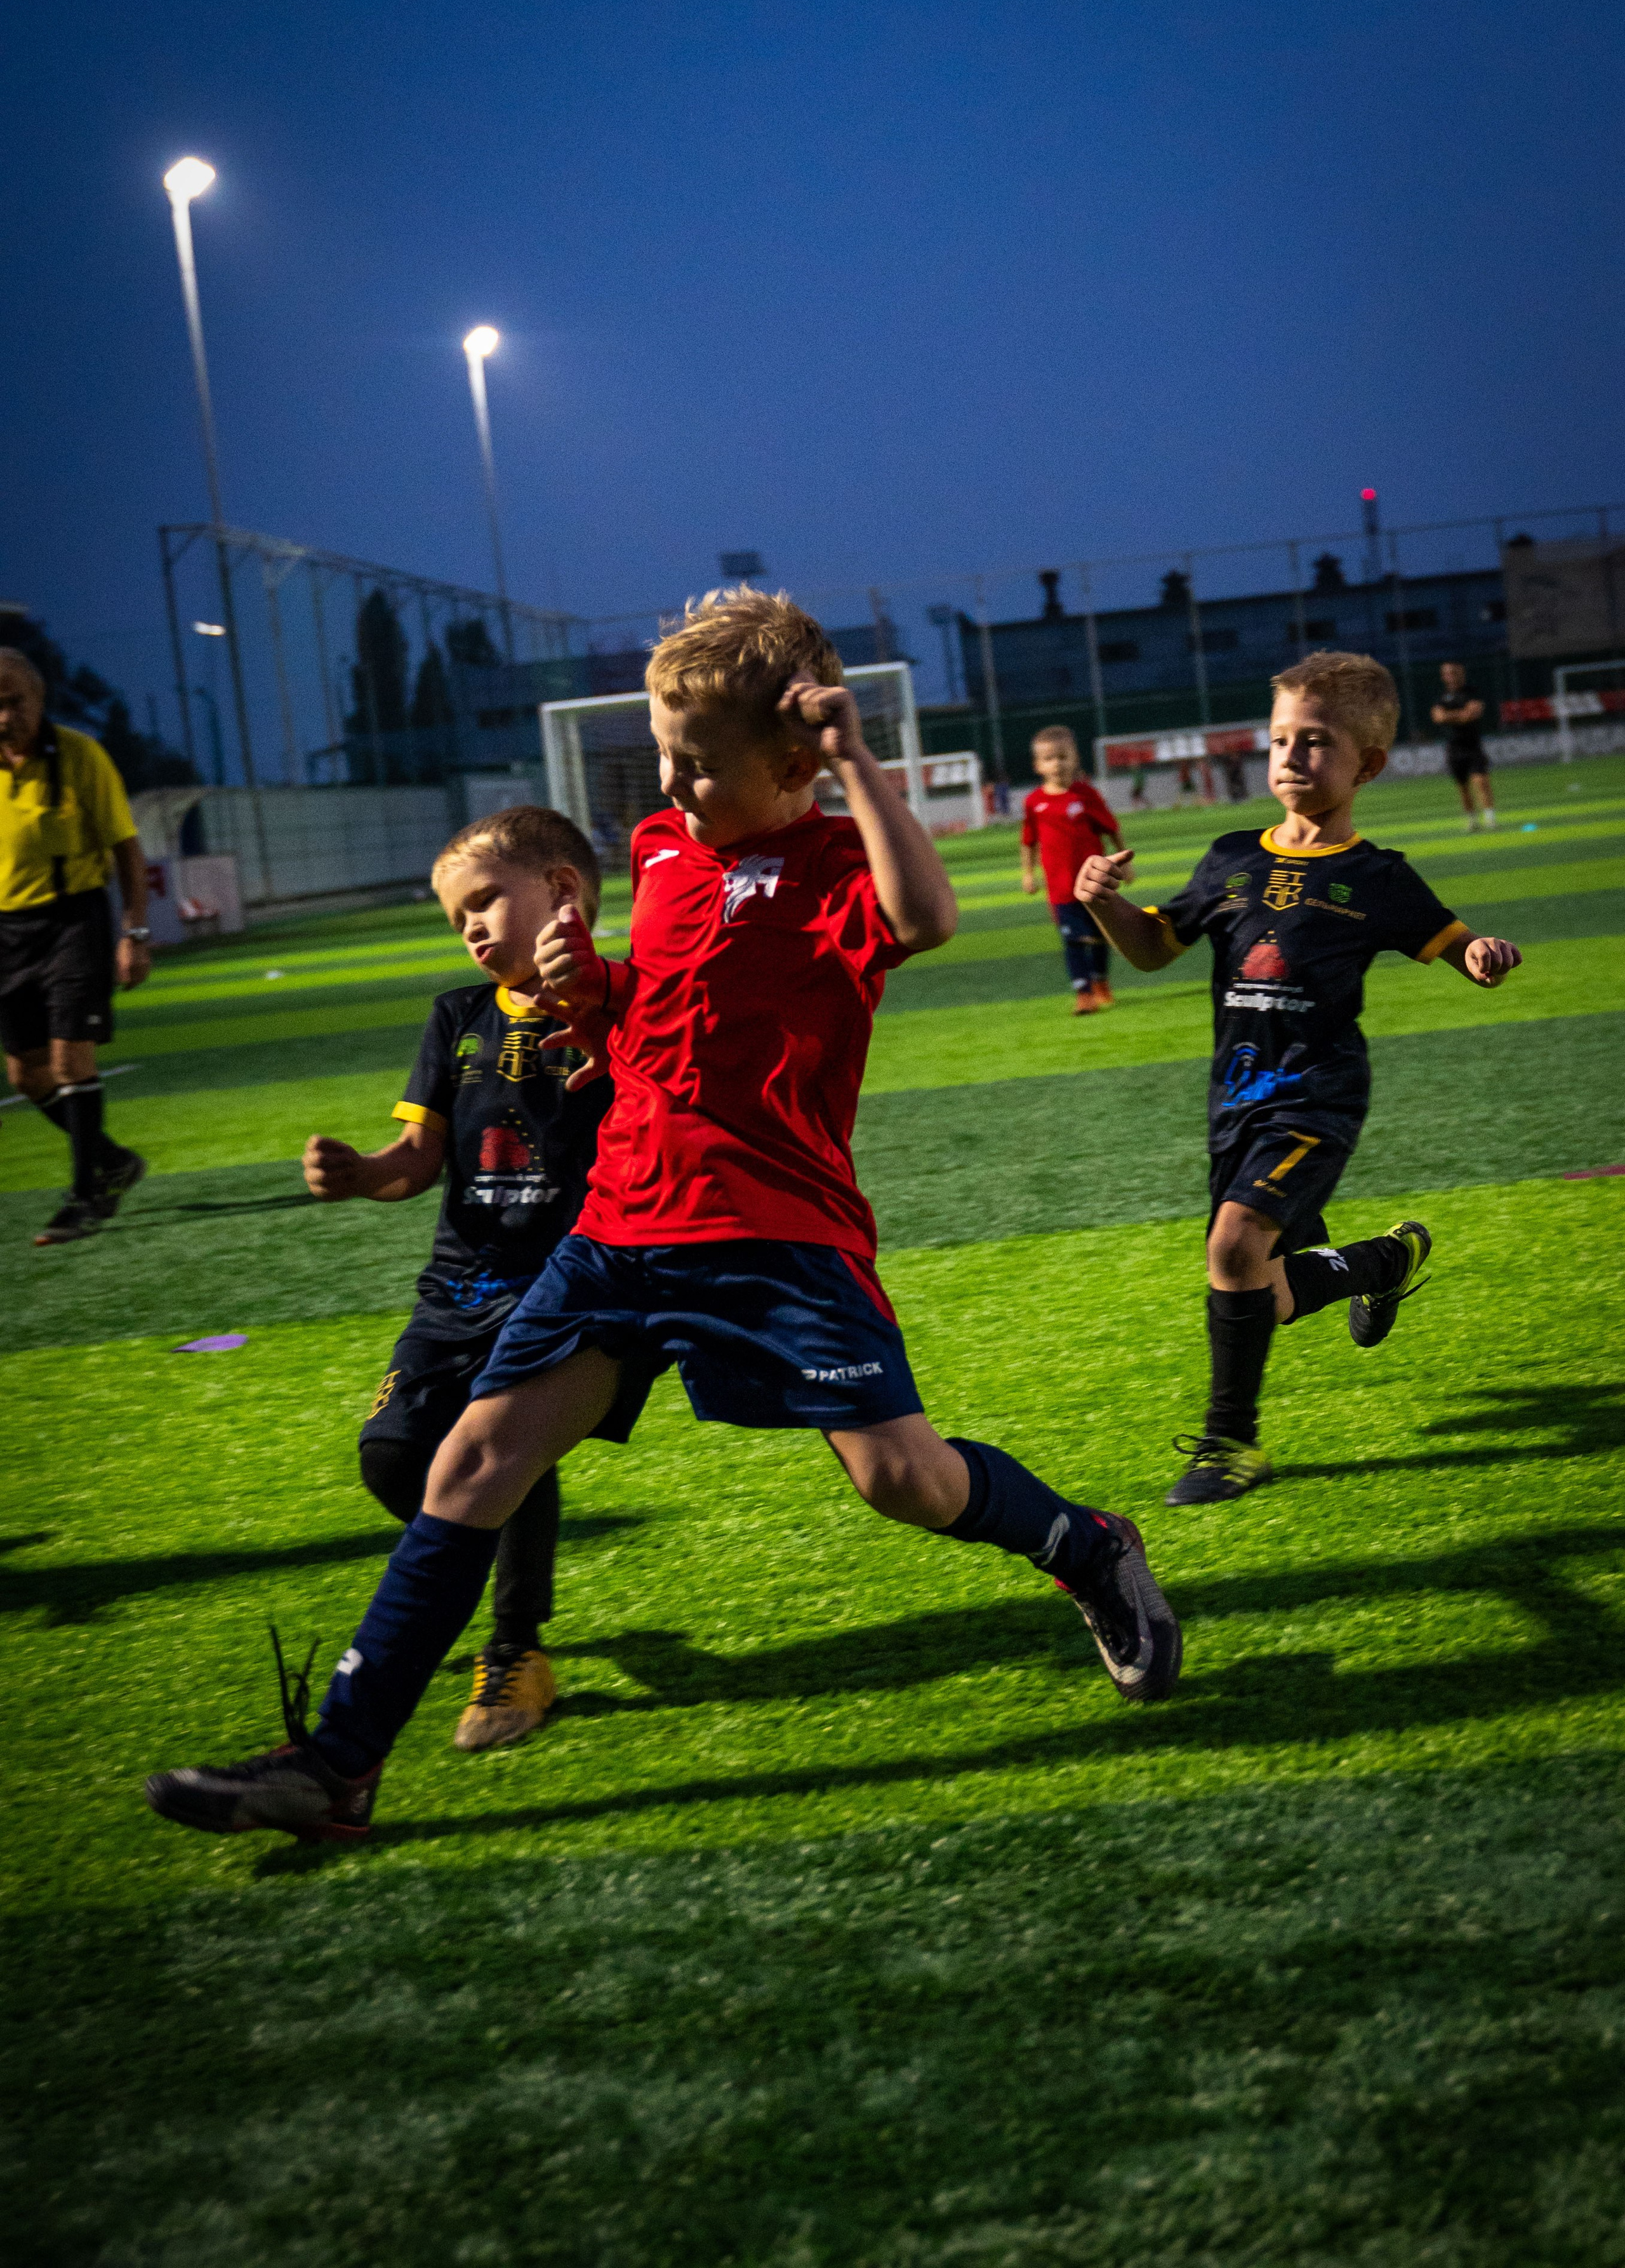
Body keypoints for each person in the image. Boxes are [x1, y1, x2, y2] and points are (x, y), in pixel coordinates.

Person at [147, 589, 1183, 1844]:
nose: (673, 786)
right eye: (662, 760)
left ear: (794, 760)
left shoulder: (843, 854)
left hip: (775, 1232)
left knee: (900, 1479)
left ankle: (1087, 1549)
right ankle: (340, 1763)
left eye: (698, 766)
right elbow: (667, 1003)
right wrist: (596, 996)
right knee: (469, 1463)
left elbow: (926, 923)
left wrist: (858, 754)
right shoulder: (656, 849)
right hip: (621, 1222)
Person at [1076, 650, 1521, 1509]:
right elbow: (1153, 946)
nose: (1291, 755)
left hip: (1318, 1096)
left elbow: (1454, 941)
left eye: (1316, 742)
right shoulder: (1230, 857)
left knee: (1233, 1246)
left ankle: (1230, 1444)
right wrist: (1104, 902)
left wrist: (1481, 952)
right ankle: (1383, 1260)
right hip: (1235, 1101)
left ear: (1368, 763)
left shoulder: (1379, 876)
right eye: (1282, 737)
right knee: (1266, 1293)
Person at [301, 804, 613, 1751]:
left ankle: (515, 1648)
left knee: (504, 1442)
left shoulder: (614, 1000)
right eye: (457, 917)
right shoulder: (456, 1017)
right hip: (457, 1283)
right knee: (394, 1457)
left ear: (561, 891)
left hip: (565, 1278)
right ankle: (459, 1567)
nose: (472, 926)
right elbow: (415, 1157)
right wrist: (363, 1173)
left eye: (485, 900)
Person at [0, 647, 150, 1244]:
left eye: (16, 701)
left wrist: (134, 932)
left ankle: (87, 1194)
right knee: (27, 1073)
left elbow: (127, 851)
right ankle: (112, 1160)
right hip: (7, 931)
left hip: (73, 921)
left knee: (70, 1060)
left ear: (40, 701)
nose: (6, 715)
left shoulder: (81, 757)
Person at [1019, 725, 1124, 1012]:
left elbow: (1110, 828)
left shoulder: (1086, 795)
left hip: (1095, 883)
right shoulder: (1034, 802)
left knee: (1101, 935)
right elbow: (1029, 841)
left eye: (1063, 757)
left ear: (1075, 759)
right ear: (1038, 765)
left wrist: (1123, 862)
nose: (1057, 764)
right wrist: (1028, 874)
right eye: (1050, 759)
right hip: (1061, 888)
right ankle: (1084, 993)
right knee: (1073, 940)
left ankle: (1101, 981)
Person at [1431, 661, 1495, 832]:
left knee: (1481, 781)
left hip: (1473, 745)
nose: (1451, 676)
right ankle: (1472, 820)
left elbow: (1472, 714)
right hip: (1454, 747)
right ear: (1443, 676)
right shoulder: (1442, 697)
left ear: (1461, 673)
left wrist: (1449, 716)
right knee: (1462, 786)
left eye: (1454, 672)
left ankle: (1490, 819)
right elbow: (1438, 718)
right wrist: (1461, 715)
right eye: (1447, 673)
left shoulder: (1472, 693)